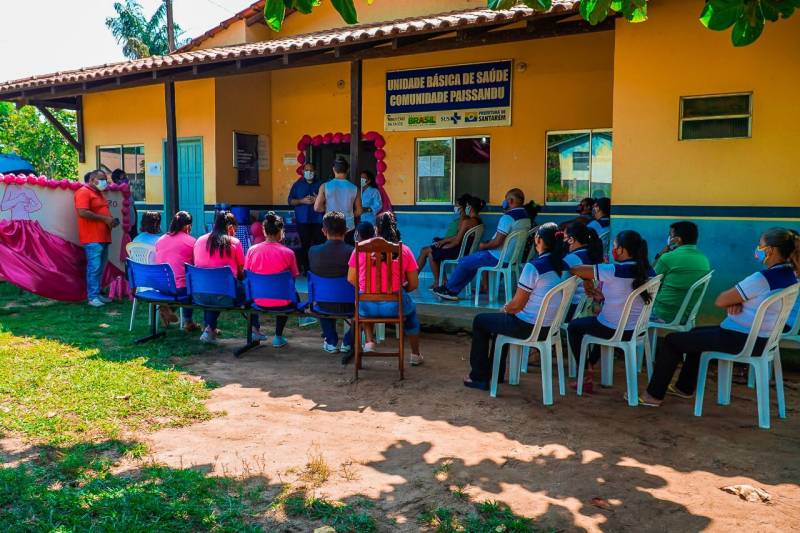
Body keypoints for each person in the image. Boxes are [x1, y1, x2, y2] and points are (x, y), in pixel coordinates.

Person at [639, 228, 800, 407]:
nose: (757, 250)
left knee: (671, 341)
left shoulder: (762, 278)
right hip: (761, 338)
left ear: (769, 250)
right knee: (694, 334)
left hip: (741, 339)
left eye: (760, 246)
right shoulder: (790, 275)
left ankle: (653, 396)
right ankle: (684, 387)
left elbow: (721, 300)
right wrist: (738, 301)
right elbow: (737, 300)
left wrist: (736, 300)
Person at [464, 223, 568, 390]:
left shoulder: (534, 266)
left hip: (528, 326)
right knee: (499, 324)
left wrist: (505, 308)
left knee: (480, 321)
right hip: (549, 327)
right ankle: (494, 374)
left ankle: (478, 376)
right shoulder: (562, 266)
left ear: (539, 240)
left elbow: (517, 306)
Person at [567, 230, 655, 394]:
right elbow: (627, 295)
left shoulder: (613, 269)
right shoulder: (650, 272)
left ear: (621, 250)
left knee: (574, 327)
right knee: (599, 323)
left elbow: (575, 269)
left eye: (614, 247)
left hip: (613, 328)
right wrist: (601, 297)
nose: (613, 250)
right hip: (637, 329)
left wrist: (586, 281)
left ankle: (585, 372)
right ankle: (591, 364)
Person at [347, 212, 423, 366]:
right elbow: (414, 284)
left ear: (376, 229)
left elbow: (351, 279)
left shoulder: (359, 249)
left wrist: (369, 291)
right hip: (395, 307)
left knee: (364, 297)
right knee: (411, 315)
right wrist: (398, 292)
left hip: (365, 308)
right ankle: (415, 354)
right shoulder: (404, 250)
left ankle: (369, 341)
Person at [433, 188, 531, 301]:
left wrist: (483, 246)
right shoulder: (525, 217)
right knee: (472, 262)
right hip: (512, 258)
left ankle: (449, 290)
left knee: (465, 261)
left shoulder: (508, 218)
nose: (504, 201)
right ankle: (453, 289)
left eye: (505, 199)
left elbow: (497, 242)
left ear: (511, 200)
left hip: (498, 257)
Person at [193, 211, 263, 345]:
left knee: (214, 288)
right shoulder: (234, 242)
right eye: (235, 229)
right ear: (230, 227)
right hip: (225, 294)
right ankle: (255, 330)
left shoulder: (199, 240)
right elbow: (242, 270)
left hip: (199, 294)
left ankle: (209, 329)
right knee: (248, 289)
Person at [245, 212, 300, 348]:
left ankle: (254, 330)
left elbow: (247, 275)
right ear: (281, 231)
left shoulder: (252, 250)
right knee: (291, 294)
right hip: (283, 301)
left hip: (257, 300)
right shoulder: (289, 253)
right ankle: (278, 336)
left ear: (264, 231)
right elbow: (292, 278)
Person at [309, 211, 355, 354]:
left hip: (322, 305)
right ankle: (348, 341)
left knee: (325, 296)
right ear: (347, 230)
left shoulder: (313, 251)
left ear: (324, 231)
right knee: (364, 306)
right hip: (350, 304)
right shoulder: (354, 252)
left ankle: (331, 339)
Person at [418, 194, 485, 288]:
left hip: (460, 251)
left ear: (469, 207)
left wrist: (444, 246)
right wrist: (443, 242)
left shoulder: (467, 222)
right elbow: (459, 236)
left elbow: (457, 241)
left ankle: (438, 282)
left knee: (432, 253)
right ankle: (441, 281)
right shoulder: (478, 221)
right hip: (466, 250)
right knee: (433, 250)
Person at [651, 221, 711, 323]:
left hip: (664, 314)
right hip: (687, 315)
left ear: (677, 239)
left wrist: (661, 254)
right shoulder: (704, 259)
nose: (669, 237)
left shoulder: (668, 258)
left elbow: (649, 280)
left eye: (670, 235)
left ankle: (639, 338)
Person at [75, 170, 119, 307]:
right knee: (94, 268)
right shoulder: (83, 192)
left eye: (105, 179)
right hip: (92, 237)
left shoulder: (99, 193)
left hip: (104, 236)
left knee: (100, 268)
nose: (104, 181)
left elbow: (102, 212)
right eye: (101, 178)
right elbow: (82, 212)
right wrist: (105, 219)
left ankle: (97, 294)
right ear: (92, 179)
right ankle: (92, 297)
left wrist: (111, 221)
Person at [154, 211, 199, 332]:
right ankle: (188, 322)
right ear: (187, 226)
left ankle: (168, 309)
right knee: (192, 287)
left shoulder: (160, 240)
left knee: (183, 284)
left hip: (162, 287)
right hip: (180, 288)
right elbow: (196, 265)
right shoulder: (191, 241)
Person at [562, 222, 605, 319]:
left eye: (564, 237)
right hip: (586, 307)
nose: (563, 241)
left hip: (570, 310)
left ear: (571, 240)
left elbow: (559, 289)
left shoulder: (570, 259)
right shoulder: (594, 255)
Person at [288, 162, 324, 273]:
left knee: (320, 245)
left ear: (315, 172)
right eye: (307, 170)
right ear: (303, 172)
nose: (309, 173)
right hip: (303, 221)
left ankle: (319, 269)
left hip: (318, 220)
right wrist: (301, 201)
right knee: (305, 245)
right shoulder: (297, 185)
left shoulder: (321, 184)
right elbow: (290, 201)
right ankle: (306, 269)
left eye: (311, 171)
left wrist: (318, 199)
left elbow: (328, 200)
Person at [315, 158, 362, 231]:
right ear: (348, 170)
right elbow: (359, 211)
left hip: (330, 225)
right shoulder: (355, 188)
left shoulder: (324, 186)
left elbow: (317, 208)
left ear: (333, 169)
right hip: (348, 226)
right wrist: (349, 215)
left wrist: (328, 210)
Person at [111, 168, 137, 239]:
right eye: (123, 177)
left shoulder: (127, 191)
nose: (126, 179)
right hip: (123, 226)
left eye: (126, 177)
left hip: (131, 222)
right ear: (117, 180)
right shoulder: (114, 193)